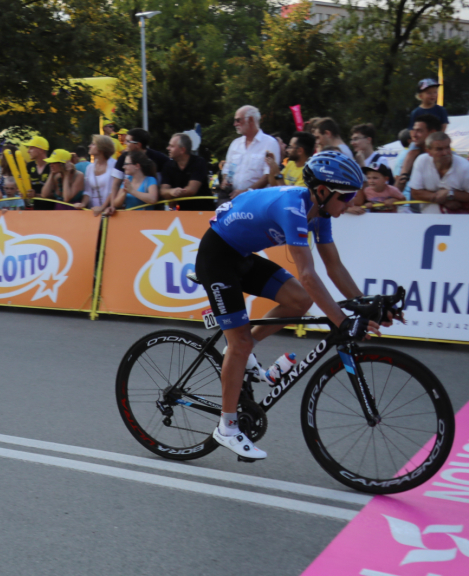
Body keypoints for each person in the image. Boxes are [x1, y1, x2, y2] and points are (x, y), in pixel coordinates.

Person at [195, 151, 381, 460]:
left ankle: (240, 352)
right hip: (217, 257)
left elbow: (333, 267)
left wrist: (364, 305)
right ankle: (226, 427)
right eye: (346, 195)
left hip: (240, 255)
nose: (350, 202)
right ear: (322, 190)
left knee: (299, 301)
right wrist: (341, 321)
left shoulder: (320, 213)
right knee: (240, 343)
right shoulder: (293, 209)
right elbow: (307, 274)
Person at [222, 106, 280, 198]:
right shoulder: (235, 144)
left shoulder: (270, 143)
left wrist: (246, 193)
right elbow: (228, 169)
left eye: (238, 120)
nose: (235, 124)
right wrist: (226, 181)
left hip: (257, 200)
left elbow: (268, 176)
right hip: (233, 198)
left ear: (250, 120)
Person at [409, 132, 469, 214]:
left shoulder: (464, 167)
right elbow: (415, 192)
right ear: (428, 151)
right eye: (439, 149)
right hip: (428, 220)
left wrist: (450, 193)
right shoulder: (422, 161)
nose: (445, 153)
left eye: (447, 147)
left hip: (459, 221)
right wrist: (442, 199)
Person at [160, 133, 214, 210]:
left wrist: (174, 193)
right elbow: (162, 191)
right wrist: (171, 191)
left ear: (182, 150)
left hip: (204, 211)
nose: (168, 148)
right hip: (183, 214)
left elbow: (192, 190)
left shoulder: (199, 162)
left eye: (172, 146)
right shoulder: (168, 166)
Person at [81, 135, 115, 215]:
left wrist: (102, 207)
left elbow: (113, 191)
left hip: (109, 211)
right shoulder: (89, 167)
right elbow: (87, 191)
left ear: (102, 148)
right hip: (92, 211)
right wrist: (83, 204)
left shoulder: (115, 165)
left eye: (93, 144)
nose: (89, 146)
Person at [25, 136, 52, 210]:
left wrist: (36, 195)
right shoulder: (30, 166)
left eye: (31, 148)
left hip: (52, 211)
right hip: (36, 210)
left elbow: (58, 194)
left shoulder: (52, 165)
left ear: (40, 150)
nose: (28, 151)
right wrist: (25, 193)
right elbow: (28, 188)